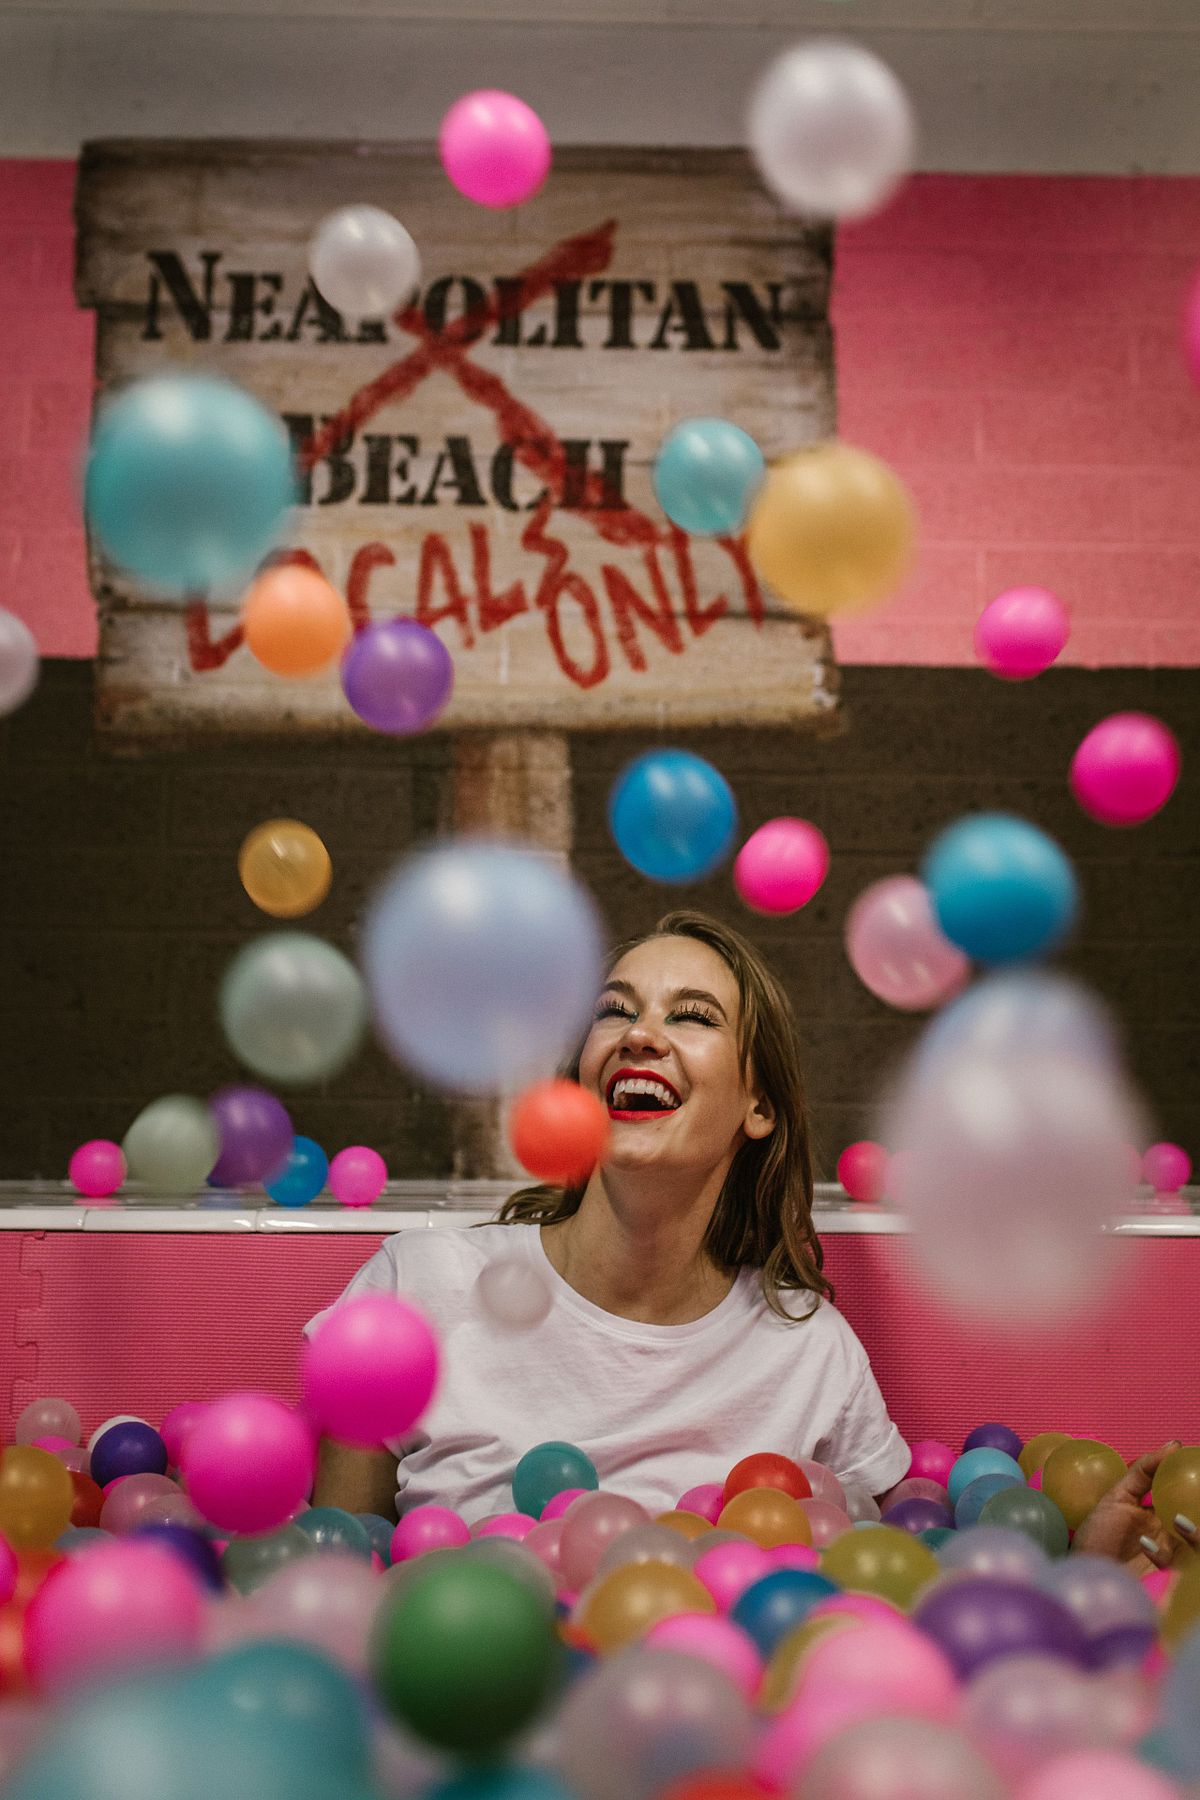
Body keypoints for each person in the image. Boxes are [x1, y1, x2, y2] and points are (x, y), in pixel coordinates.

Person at [308, 909, 910, 1523]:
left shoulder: (810, 1352)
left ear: (759, 1107)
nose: (639, 1035)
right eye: (615, 1011)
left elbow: (882, 1555)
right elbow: (338, 1556)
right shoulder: (417, 1287)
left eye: (694, 1016)